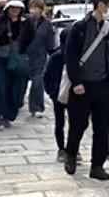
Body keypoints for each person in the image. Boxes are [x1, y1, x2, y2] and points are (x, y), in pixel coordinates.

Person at [63, 0, 109, 181]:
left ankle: (97, 165)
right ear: (101, 5)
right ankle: (71, 156)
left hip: (103, 85)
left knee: (102, 128)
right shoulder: (79, 27)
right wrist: (76, 81)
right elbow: (70, 56)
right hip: (82, 86)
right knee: (78, 125)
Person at [0, 0, 35, 132]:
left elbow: (32, 39)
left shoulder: (27, 22)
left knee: (16, 88)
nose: (15, 10)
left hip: (18, 58)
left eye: (17, 8)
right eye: (12, 8)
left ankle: (9, 115)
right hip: (0, 57)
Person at [45, 27, 71, 162]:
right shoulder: (56, 57)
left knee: (77, 124)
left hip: (75, 95)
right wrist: (52, 93)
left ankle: (72, 148)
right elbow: (47, 76)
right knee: (59, 122)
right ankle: (61, 149)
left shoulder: (78, 55)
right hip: (57, 95)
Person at [26, 0, 55, 117]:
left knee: (37, 82)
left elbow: (50, 43)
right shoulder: (24, 21)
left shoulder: (47, 24)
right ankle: (16, 103)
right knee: (20, 83)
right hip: (24, 56)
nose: (34, 10)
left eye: (37, 8)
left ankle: (36, 107)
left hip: (39, 57)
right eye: (32, 7)